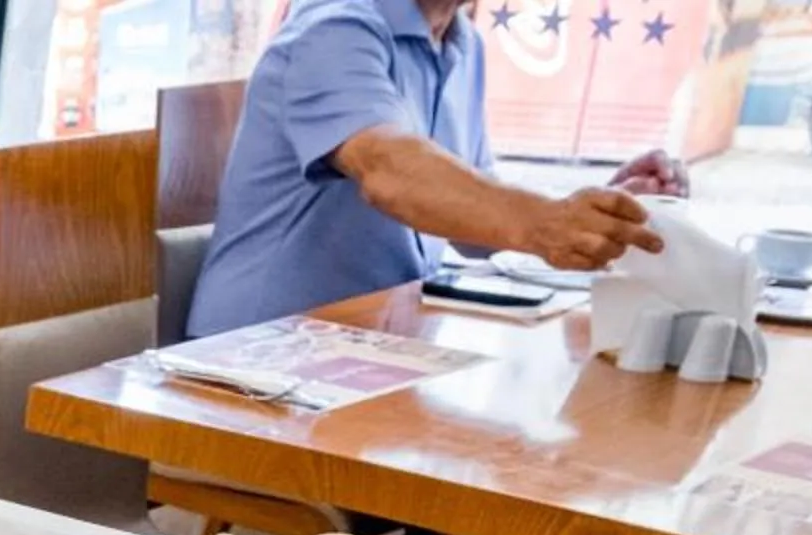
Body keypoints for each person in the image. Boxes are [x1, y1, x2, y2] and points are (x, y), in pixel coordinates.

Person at [187, 0, 690, 336]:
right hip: (256, 359)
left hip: (370, 346)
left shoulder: (461, 43)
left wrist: (596, 210)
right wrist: (548, 221)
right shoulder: (335, 28)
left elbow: (475, 222)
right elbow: (391, 173)